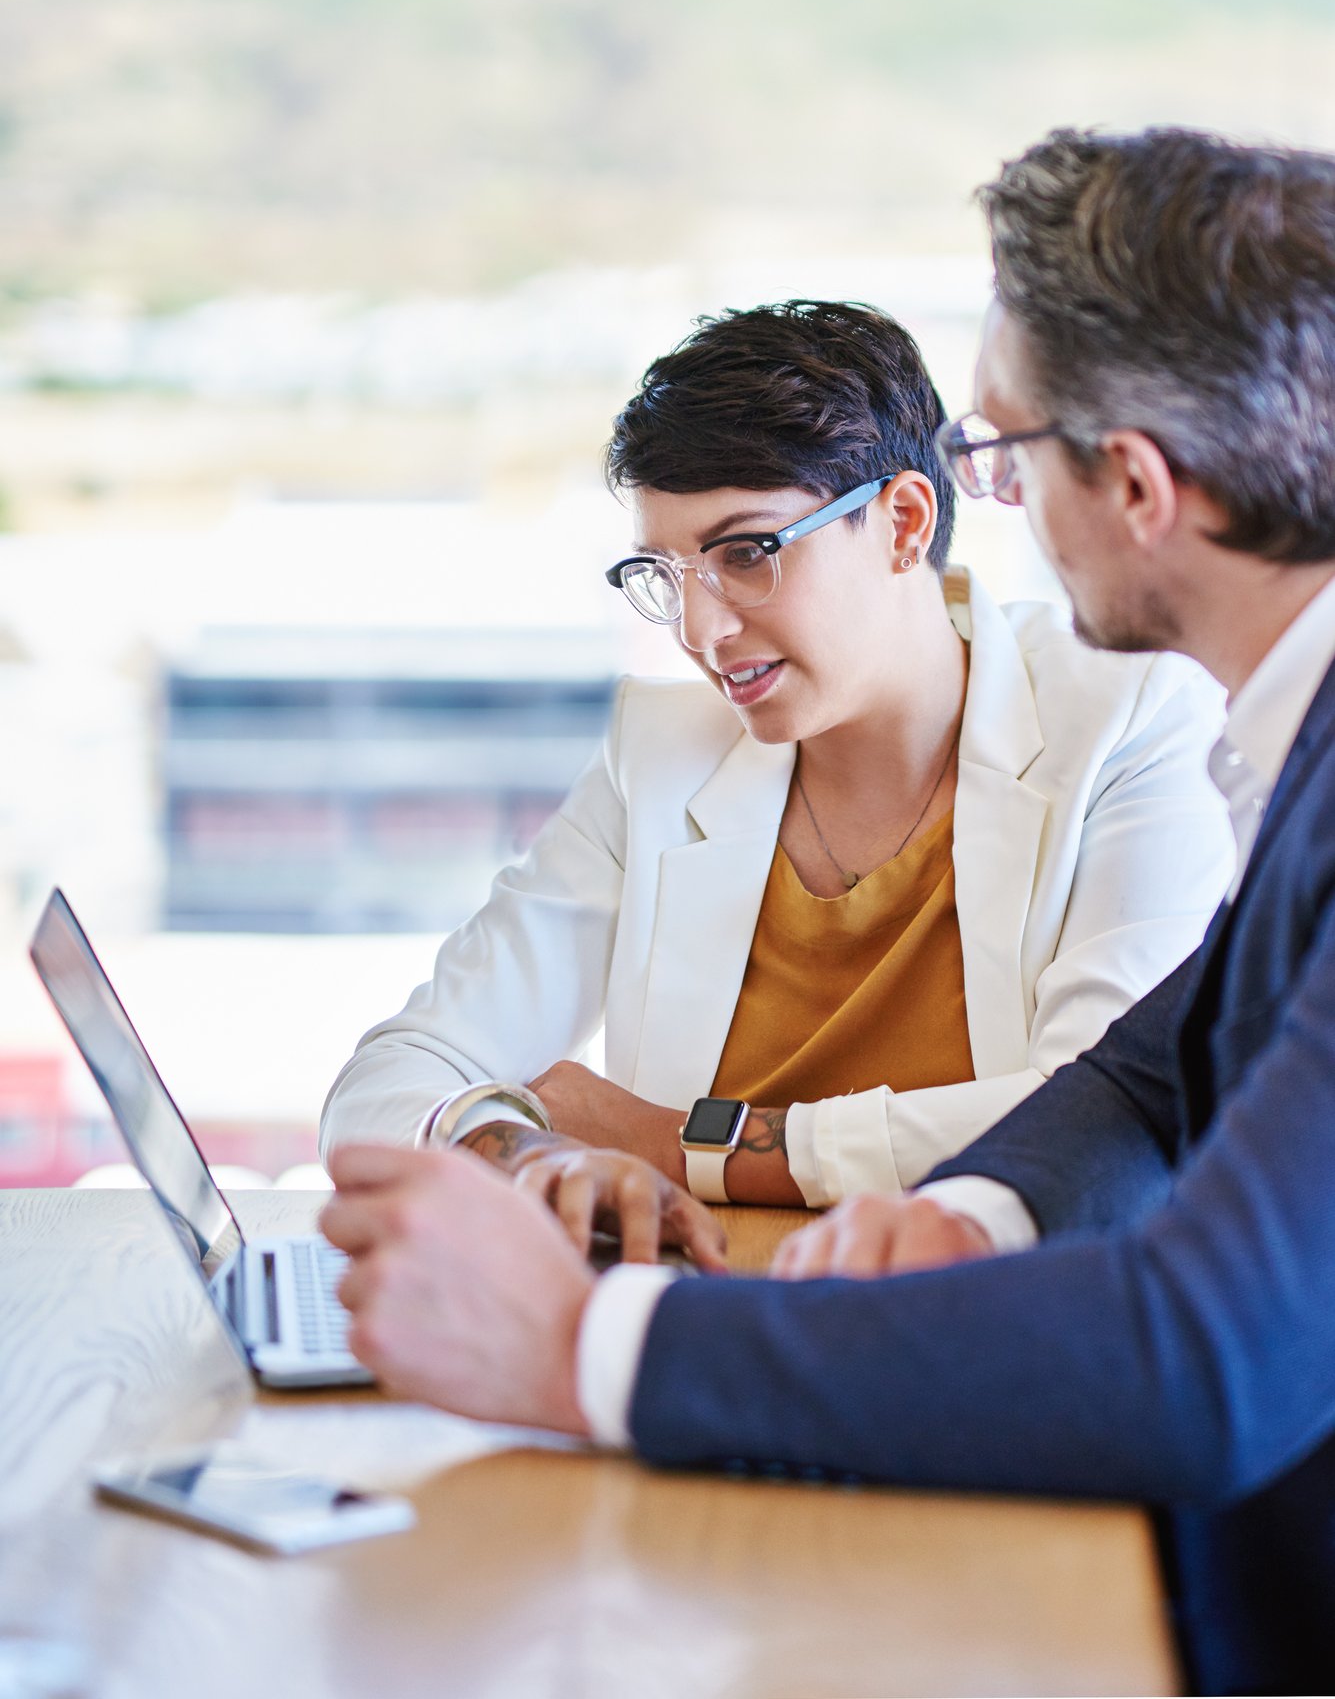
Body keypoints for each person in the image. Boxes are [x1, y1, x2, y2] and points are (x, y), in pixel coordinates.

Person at [323, 127, 1335, 1695]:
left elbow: (1196, 1353)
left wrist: (584, 1350)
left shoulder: (1192, 739)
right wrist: (964, 1211)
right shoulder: (1293, 744)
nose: (988, 490)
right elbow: (1146, 1072)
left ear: (1129, 484)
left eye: (1004, 453)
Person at [320, 298, 1229, 1264]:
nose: (700, 633)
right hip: (679, 1340)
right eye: (667, 571)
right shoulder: (660, 754)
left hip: (975, 1341)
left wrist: (682, 1145)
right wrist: (517, 1150)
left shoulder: (1129, 718)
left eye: (746, 554)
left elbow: (1104, 1113)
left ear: (903, 523)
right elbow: (391, 1078)